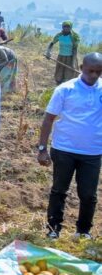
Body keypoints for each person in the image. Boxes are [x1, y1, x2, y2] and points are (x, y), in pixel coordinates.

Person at [38, 53, 102, 239]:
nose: (94, 76)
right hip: (64, 149)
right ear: (81, 67)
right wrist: (42, 149)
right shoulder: (66, 89)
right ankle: (53, 229)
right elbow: (48, 119)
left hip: (93, 151)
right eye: (90, 71)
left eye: (98, 72)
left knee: (89, 194)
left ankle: (83, 231)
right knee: (59, 190)